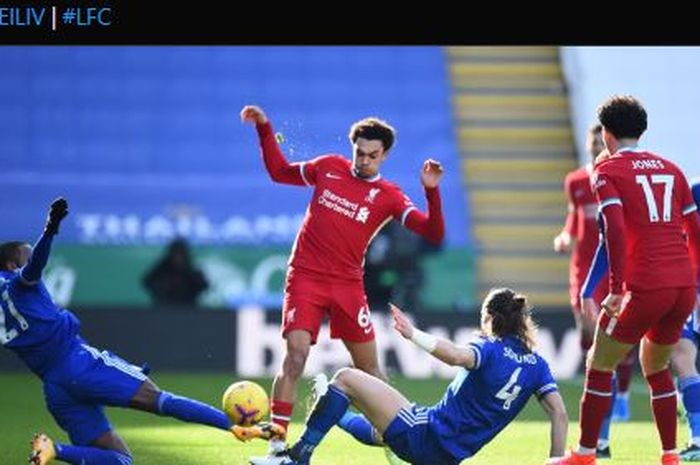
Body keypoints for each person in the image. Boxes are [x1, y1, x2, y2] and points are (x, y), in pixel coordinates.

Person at [239, 105, 445, 464]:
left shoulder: (389, 195)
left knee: (371, 372)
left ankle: (396, 443)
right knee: (296, 356)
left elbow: (433, 232)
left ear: (385, 155)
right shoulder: (329, 167)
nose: (364, 161)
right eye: (360, 152)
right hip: (305, 276)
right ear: (353, 148)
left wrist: (431, 192)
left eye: (372, 155)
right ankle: (276, 449)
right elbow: (278, 171)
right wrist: (264, 128)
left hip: (348, 285)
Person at [0, 199, 240, 465]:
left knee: (119, 460)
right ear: (12, 265)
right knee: (161, 400)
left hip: (55, 388)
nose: (31, 259)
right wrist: (50, 229)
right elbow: (33, 269)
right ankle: (233, 426)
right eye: (26, 255)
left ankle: (55, 450)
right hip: (79, 363)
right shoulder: (17, 284)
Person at [234, 288, 568, 465]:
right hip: (448, 457)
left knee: (346, 378)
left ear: (491, 318)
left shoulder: (489, 349)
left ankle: (298, 457)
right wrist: (556, 461)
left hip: (427, 433)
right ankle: (334, 413)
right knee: (382, 431)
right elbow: (560, 413)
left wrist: (412, 334)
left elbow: (454, 355)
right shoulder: (537, 365)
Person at [553, 96, 700, 465]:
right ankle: (670, 454)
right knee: (655, 366)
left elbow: (614, 231)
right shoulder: (672, 169)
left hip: (645, 286)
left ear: (606, 134)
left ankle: (586, 453)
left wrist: (617, 290)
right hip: (681, 287)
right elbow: (695, 232)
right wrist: (695, 286)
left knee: (598, 362)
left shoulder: (607, 171)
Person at [554, 124, 636, 429]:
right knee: (588, 332)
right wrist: (565, 236)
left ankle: (620, 397)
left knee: (618, 337)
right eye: (590, 138)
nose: (593, 143)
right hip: (582, 268)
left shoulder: (617, 177)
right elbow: (574, 217)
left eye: (598, 138)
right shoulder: (575, 181)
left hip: (613, 267)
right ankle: (602, 389)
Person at [671, 177, 700, 461]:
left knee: (682, 358)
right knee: (681, 357)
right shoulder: (694, 190)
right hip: (691, 286)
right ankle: (698, 437)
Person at [142, 237, 209, 307]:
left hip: (187, 309)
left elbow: (204, 285)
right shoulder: (162, 269)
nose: (178, 258)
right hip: (164, 308)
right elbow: (147, 281)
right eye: (176, 254)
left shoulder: (190, 270)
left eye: (180, 254)